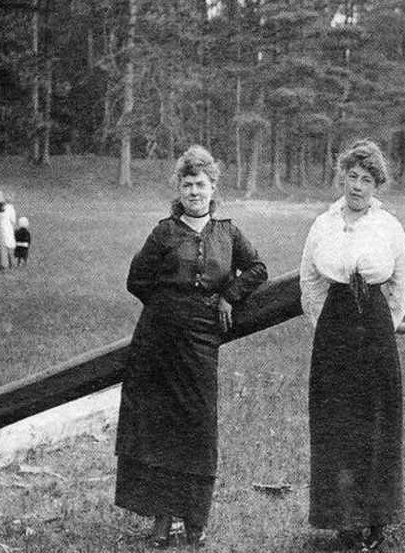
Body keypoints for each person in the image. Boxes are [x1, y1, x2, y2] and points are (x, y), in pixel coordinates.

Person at [114, 145, 268, 548]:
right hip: (158, 343)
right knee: (161, 426)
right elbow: (137, 279)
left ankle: (195, 520)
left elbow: (258, 268)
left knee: (199, 426)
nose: (194, 192)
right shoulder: (164, 232)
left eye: (200, 184)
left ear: (213, 187)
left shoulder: (228, 232)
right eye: (187, 185)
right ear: (178, 189)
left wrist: (229, 295)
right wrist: (169, 309)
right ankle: (162, 520)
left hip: (202, 342)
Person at [300, 139, 405, 552]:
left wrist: (383, 324)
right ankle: (345, 520)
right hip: (334, 328)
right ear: (342, 177)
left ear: (376, 185)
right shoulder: (323, 223)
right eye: (352, 177)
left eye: (367, 180)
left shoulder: (389, 227)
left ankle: (377, 517)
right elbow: (309, 282)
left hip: (377, 330)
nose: (358, 187)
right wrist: (327, 323)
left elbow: (401, 282)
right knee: (338, 423)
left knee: (377, 423)